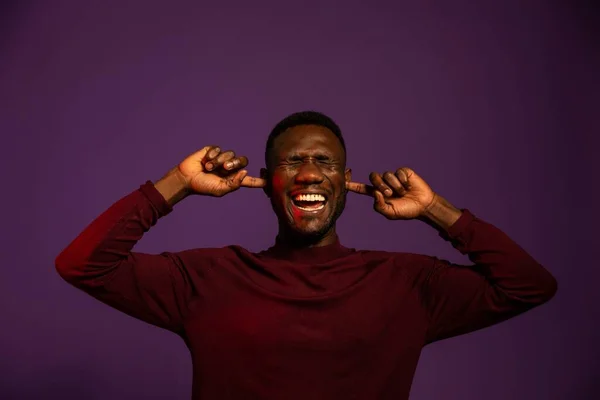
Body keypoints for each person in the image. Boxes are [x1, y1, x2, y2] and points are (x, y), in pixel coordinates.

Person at [55, 111, 557, 400]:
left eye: (326, 163)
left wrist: (434, 209)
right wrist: (178, 184)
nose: (310, 174)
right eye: (292, 162)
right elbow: (82, 265)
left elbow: (529, 284)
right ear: (268, 185)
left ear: (345, 182)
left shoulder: (406, 283)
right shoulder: (206, 278)